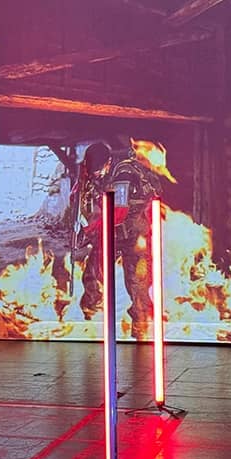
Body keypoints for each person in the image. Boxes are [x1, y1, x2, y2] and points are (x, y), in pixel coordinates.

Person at [73, 142, 163, 338]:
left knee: (138, 283)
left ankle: (142, 329)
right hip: (110, 230)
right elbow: (85, 193)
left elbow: (118, 212)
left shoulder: (124, 173)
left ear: (109, 162)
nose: (96, 174)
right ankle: (88, 317)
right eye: (92, 170)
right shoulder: (93, 171)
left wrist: (90, 229)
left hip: (135, 233)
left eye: (98, 170)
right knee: (93, 274)